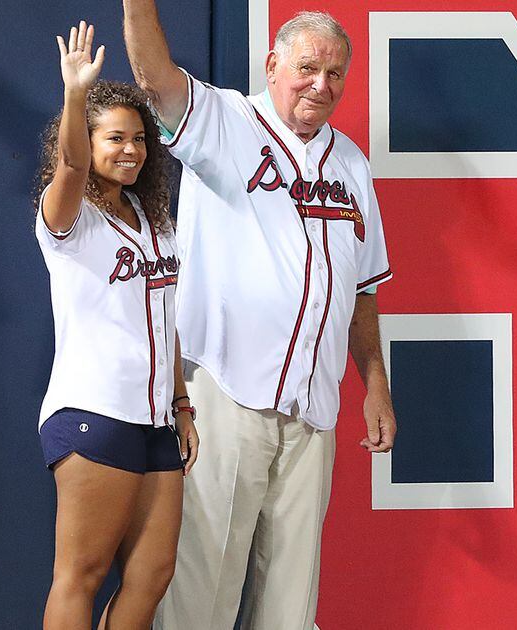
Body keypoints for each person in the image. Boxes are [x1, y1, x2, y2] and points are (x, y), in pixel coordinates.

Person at [121, 4, 397, 628]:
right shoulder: (227, 122)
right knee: (200, 596)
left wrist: (376, 384)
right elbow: (153, 75)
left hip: (313, 413)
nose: (320, 85)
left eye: (334, 74)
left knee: (291, 608)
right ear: (273, 65)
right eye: (306, 68)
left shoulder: (352, 164)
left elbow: (363, 291)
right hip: (224, 393)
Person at [34, 20, 199, 630]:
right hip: (95, 411)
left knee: (153, 575)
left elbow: (166, 315)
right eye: (114, 139)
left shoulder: (154, 222)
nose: (130, 150)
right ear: (86, 138)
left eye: (138, 139)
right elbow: (73, 167)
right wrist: (77, 94)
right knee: (80, 573)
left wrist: (182, 403)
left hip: (156, 419)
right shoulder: (68, 219)